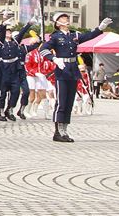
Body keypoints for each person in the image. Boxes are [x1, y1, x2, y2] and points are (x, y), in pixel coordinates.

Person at [39, 13, 110, 142]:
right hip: (62, 69)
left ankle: (64, 130)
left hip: (72, 69)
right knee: (61, 101)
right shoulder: (55, 37)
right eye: (63, 18)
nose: (66, 20)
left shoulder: (74, 35)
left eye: (66, 18)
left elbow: (88, 36)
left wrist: (100, 28)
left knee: (69, 102)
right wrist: (54, 59)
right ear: (57, 23)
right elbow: (43, 49)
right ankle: (58, 131)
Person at [0, 22, 36, 121]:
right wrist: (4, 23)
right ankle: (1, 111)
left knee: (15, 92)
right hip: (4, 69)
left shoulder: (15, 43)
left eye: (10, 32)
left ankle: (10, 109)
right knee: (3, 93)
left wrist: (28, 25)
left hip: (15, 69)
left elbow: (22, 33)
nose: (8, 33)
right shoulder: (0, 42)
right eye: (7, 32)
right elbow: (1, 33)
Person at [14, 30, 41, 119]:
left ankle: (22, 109)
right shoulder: (8, 46)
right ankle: (8, 109)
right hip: (12, 71)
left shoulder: (23, 48)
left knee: (26, 91)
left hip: (22, 70)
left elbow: (36, 45)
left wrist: (37, 39)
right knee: (14, 93)